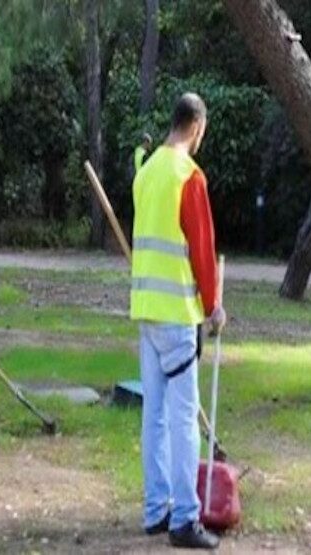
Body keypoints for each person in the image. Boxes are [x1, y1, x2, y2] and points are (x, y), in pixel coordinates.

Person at [131, 93, 226, 549]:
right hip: (175, 316)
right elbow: (202, 250)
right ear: (197, 127)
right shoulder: (189, 176)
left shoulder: (146, 172)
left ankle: (156, 509)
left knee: (155, 414)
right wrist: (213, 307)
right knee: (184, 418)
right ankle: (185, 518)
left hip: (146, 310)